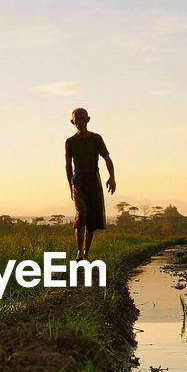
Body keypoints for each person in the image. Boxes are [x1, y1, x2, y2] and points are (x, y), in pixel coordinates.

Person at [64, 107, 116, 259]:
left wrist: (112, 177)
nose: (79, 122)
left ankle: (86, 254)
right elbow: (68, 165)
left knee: (92, 220)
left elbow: (107, 158)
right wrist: (70, 186)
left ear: (88, 119)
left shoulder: (96, 139)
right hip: (78, 180)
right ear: (72, 122)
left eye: (82, 118)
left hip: (94, 179)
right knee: (81, 214)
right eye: (76, 119)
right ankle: (79, 252)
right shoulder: (70, 142)